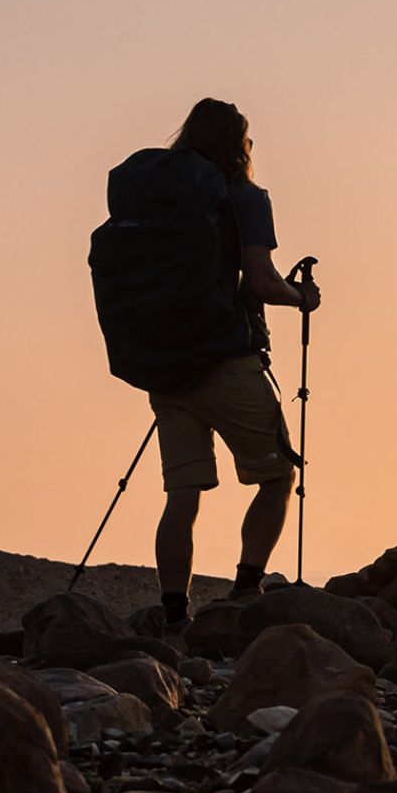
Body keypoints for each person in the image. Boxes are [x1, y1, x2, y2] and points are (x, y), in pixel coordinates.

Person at [88, 98, 319, 627]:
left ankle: (175, 613)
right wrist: (301, 298)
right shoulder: (244, 197)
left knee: (182, 493)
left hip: (165, 367)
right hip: (226, 360)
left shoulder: (161, 199)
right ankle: (246, 590)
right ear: (240, 144)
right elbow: (259, 281)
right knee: (278, 475)